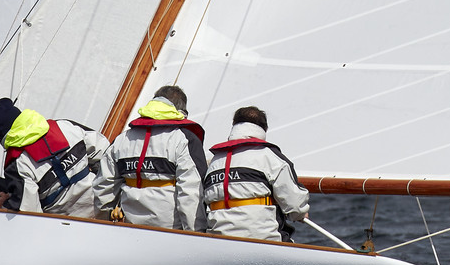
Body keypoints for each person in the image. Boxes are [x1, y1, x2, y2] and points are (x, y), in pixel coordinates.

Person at [0, 97, 117, 220]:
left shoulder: (17, 163)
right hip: (103, 207)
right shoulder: (64, 126)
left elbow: (29, 213)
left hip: (67, 225)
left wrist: (6, 205)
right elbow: (105, 153)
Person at [203, 105, 310, 242]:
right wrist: (299, 213)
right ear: (263, 129)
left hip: (220, 240)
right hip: (263, 239)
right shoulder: (269, 156)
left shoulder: (214, 162)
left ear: (234, 126)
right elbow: (295, 204)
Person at [112, 85, 208, 231]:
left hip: (128, 228)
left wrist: (103, 221)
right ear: (182, 112)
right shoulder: (184, 139)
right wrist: (196, 234)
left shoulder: (122, 139)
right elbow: (191, 193)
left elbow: (104, 186)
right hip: (169, 232)